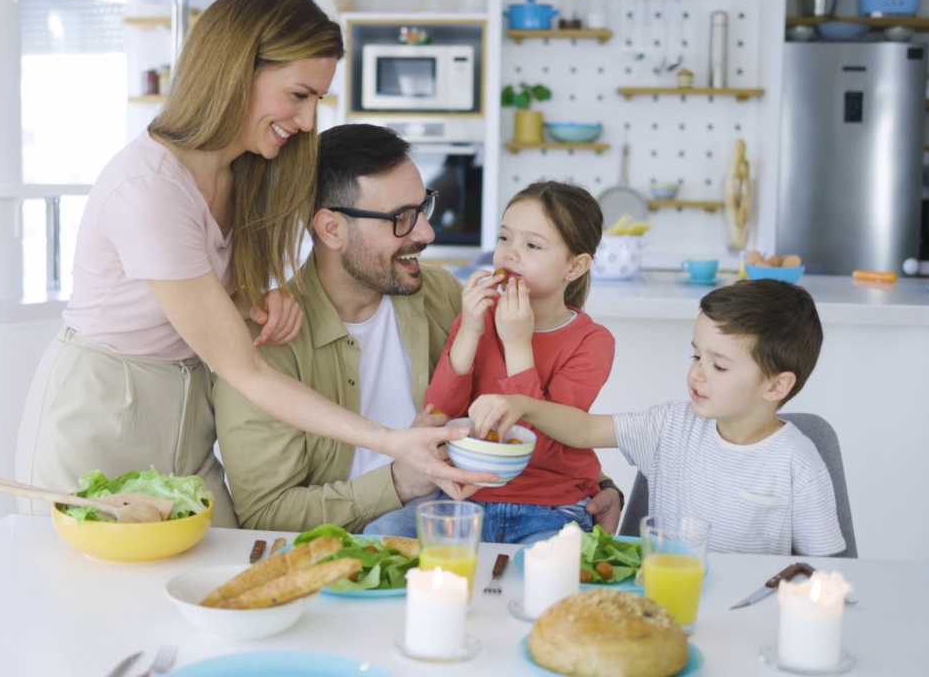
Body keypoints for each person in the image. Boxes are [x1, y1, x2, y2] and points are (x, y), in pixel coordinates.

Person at [14, 0, 489, 528]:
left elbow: (196, 293)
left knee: (203, 579)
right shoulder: (148, 189)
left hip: (190, 408)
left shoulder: (246, 171)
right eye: (299, 94)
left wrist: (250, 297)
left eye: (317, 100)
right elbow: (247, 371)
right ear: (239, 70)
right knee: (90, 594)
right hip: (106, 408)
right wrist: (393, 444)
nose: (309, 121)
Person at [213, 125, 624, 533]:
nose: (427, 233)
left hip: (476, 525)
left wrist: (597, 487)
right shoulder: (262, 344)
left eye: (423, 208)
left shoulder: (441, 294)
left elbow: (527, 412)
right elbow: (266, 515)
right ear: (331, 228)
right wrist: (399, 482)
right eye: (401, 219)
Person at [469, 279, 846, 556]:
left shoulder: (798, 463)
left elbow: (824, 569)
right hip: (660, 602)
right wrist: (525, 405)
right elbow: (584, 430)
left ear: (776, 387)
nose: (698, 373)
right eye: (696, 356)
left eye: (719, 365)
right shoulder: (670, 425)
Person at [365, 181, 617, 544]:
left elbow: (540, 442)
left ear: (575, 266)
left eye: (532, 245)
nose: (510, 254)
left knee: (550, 575)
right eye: (504, 238)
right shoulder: (478, 317)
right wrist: (468, 330)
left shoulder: (592, 342)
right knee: (377, 537)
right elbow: (439, 411)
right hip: (467, 500)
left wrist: (517, 346)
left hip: (551, 507)